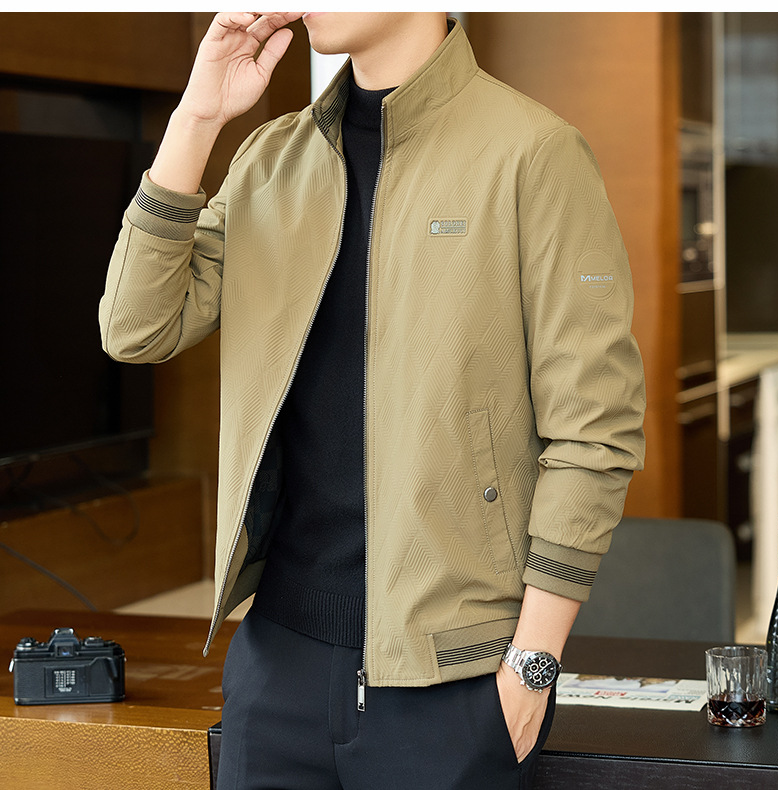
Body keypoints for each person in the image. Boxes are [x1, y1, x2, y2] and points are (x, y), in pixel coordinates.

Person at [100, 12, 645, 789]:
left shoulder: (534, 154)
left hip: (453, 686)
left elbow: (596, 431)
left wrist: (532, 666)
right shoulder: (270, 160)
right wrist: (197, 118)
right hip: (276, 672)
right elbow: (135, 327)